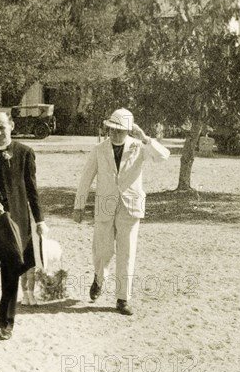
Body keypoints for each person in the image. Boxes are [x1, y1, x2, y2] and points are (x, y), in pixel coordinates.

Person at [73, 108, 170, 315]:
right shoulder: (99, 150)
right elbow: (85, 178)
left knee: (126, 254)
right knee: (102, 251)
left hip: (130, 208)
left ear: (129, 130)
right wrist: (78, 205)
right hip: (104, 207)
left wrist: (144, 138)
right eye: (112, 129)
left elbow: (164, 156)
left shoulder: (139, 147)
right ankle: (99, 278)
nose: (115, 134)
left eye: (121, 130)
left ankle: (122, 298)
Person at [0, 112, 48, 340]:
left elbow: (32, 190)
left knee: (12, 273)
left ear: (12, 126)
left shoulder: (25, 153)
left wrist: (40, 221)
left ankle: (6, 323)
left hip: (17, 223)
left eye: (2, 127)